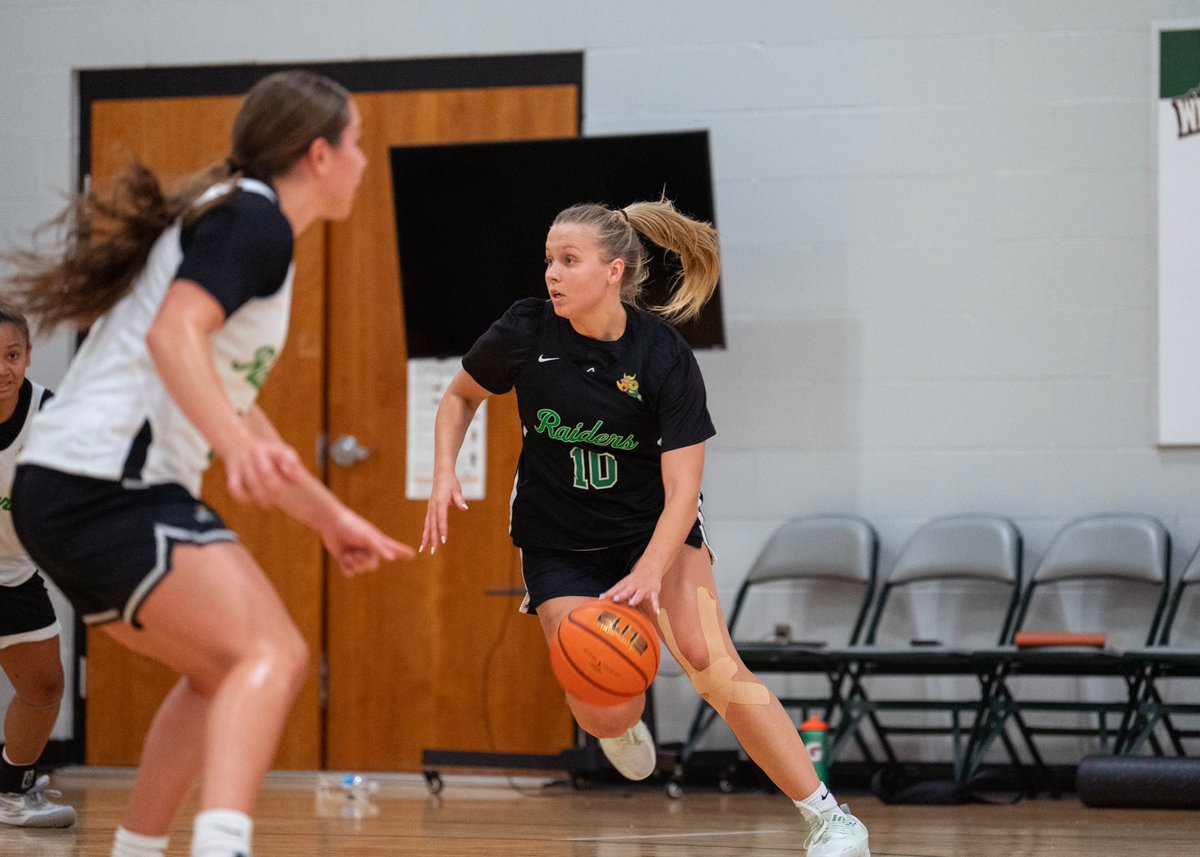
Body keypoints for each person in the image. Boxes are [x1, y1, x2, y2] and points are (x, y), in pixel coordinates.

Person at [3, 70, 413, 857]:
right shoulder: (253, 220)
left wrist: (330, 516)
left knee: (220, 671)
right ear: (320, 155)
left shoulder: (234, 221)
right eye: (358, 144)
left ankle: (139, 847)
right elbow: (172, 336)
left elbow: (226, 392)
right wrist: (231, 447)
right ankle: (224, 845)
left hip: (63, 490)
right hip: (104, 484)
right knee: (273, 651)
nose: (365, 161)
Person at [421, 200, 870, 857]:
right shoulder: (525, 330)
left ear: (614, 270)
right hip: (556, 537)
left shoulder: (662, 355)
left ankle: (829, 817)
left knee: (714, 665)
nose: (552, 273)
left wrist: (650, 571)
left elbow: (684, 490)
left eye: (568, 260)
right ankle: (620, 725)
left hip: (653, 528)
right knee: (604, 702)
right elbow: (461, 395)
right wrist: (443, 471)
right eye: (548, 260)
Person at [0, 304, 75, 829]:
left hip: (13, 570)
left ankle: (10, 791)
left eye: (12, 355)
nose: (2, 368)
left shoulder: (52, 415)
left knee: (44, 686)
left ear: (28, 357)